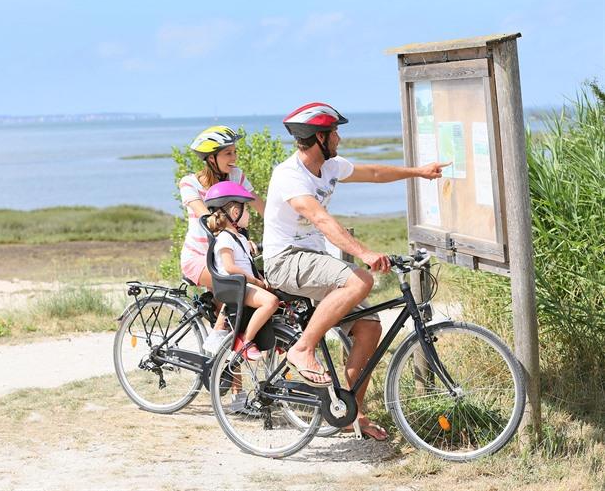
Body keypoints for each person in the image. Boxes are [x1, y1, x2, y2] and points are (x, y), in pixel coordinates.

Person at [263, 102, 450, 440]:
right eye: (334, 132)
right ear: (319, 137)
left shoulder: (331, 166)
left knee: (368, 328)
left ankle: (354, 416)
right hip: (285, 260)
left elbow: (374, 173)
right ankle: (302, 348)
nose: (339, 137)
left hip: (313, 260)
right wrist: (363, 252)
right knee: (359, 278)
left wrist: (418, 172)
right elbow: (320, 219)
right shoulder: (289, 176)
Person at [178, 126, 265, 353]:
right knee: (237, 284)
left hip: (227, 255)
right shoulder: (190, 184)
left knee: (238, 321)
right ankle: (216, 337)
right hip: (199, 258)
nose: (234, 158)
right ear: (211, 159)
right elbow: (208, 218)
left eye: (235, 152)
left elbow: (260, 205)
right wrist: (239, 239)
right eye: (228, 153)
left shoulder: (236, 176)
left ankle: (236, 387)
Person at [204, 181, 279, 361]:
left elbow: (248, 264)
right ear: (235, 213)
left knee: (278, 296)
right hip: (235, 287)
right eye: (247, 211)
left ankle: (274, 339)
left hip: (243, 285)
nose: (249, 215)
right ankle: (245, 340)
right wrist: (255, 282)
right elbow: (229, 267)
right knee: (271, 302)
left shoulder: (240, 238)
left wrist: (261, 278)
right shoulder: (224, 238)